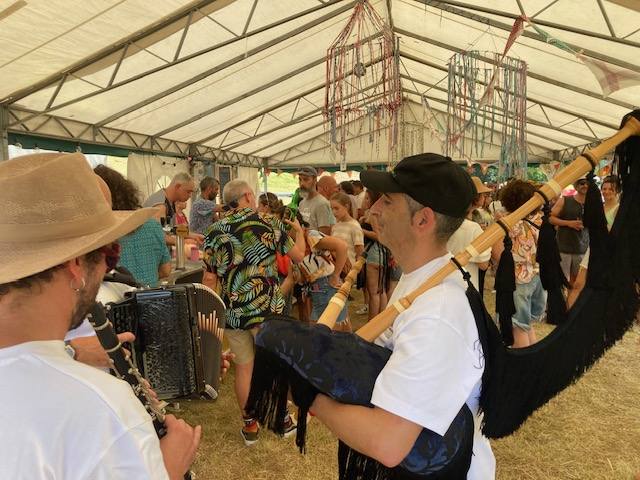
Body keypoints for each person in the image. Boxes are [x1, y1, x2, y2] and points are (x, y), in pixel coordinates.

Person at [0, 152, 200, 479]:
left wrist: (72, 351)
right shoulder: (103, 412)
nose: (109, 266)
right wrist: (169, 469)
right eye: (107, 252)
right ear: (76, 265)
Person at [309, 153, 495, 479]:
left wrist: (311, 395)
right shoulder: (420, 278)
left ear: (422, 220)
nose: (373, 209)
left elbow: (388, 442)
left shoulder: (437, 312)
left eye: (388, 201)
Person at [203, 179, 305, 446]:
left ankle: (250, 427)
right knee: (274, 365)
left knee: (244, 368)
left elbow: (209, 279)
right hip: (268, 311)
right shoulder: (270, 224)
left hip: (234, 311)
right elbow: (300, 256)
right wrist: (299, 231)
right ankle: (281, 419)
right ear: (248, 196)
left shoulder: (214, 230)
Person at [94, 165, 172, 287]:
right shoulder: (152, 225)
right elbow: (165, 270)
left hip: (116, 302)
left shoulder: (100, 234)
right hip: (151, 299)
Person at [491, 180, 546, 348]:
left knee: (517, 328)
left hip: (515, 280)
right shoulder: (539, 220)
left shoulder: (507, 223)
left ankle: (524, 366)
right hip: (536, 276)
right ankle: (535, 362)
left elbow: (497, 251)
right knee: (526, 325)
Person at [550, 177, 589, 285]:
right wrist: (568, 223)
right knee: (562, 281)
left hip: (583, 249)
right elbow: (550, 218)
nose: (585, 185)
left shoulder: (594, 204)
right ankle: (563, 302)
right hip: (563, 248)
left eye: (587, 183)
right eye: (582, 183)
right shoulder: (565, 200)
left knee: (578, 283)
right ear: (576, 185)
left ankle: (572, 302)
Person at [297, 166, 335, 235]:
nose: (302, 183)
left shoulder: (321, 203)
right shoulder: (301, 203)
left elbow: (324, 235)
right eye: (300, 180)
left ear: (315, 181)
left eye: (306, 180)